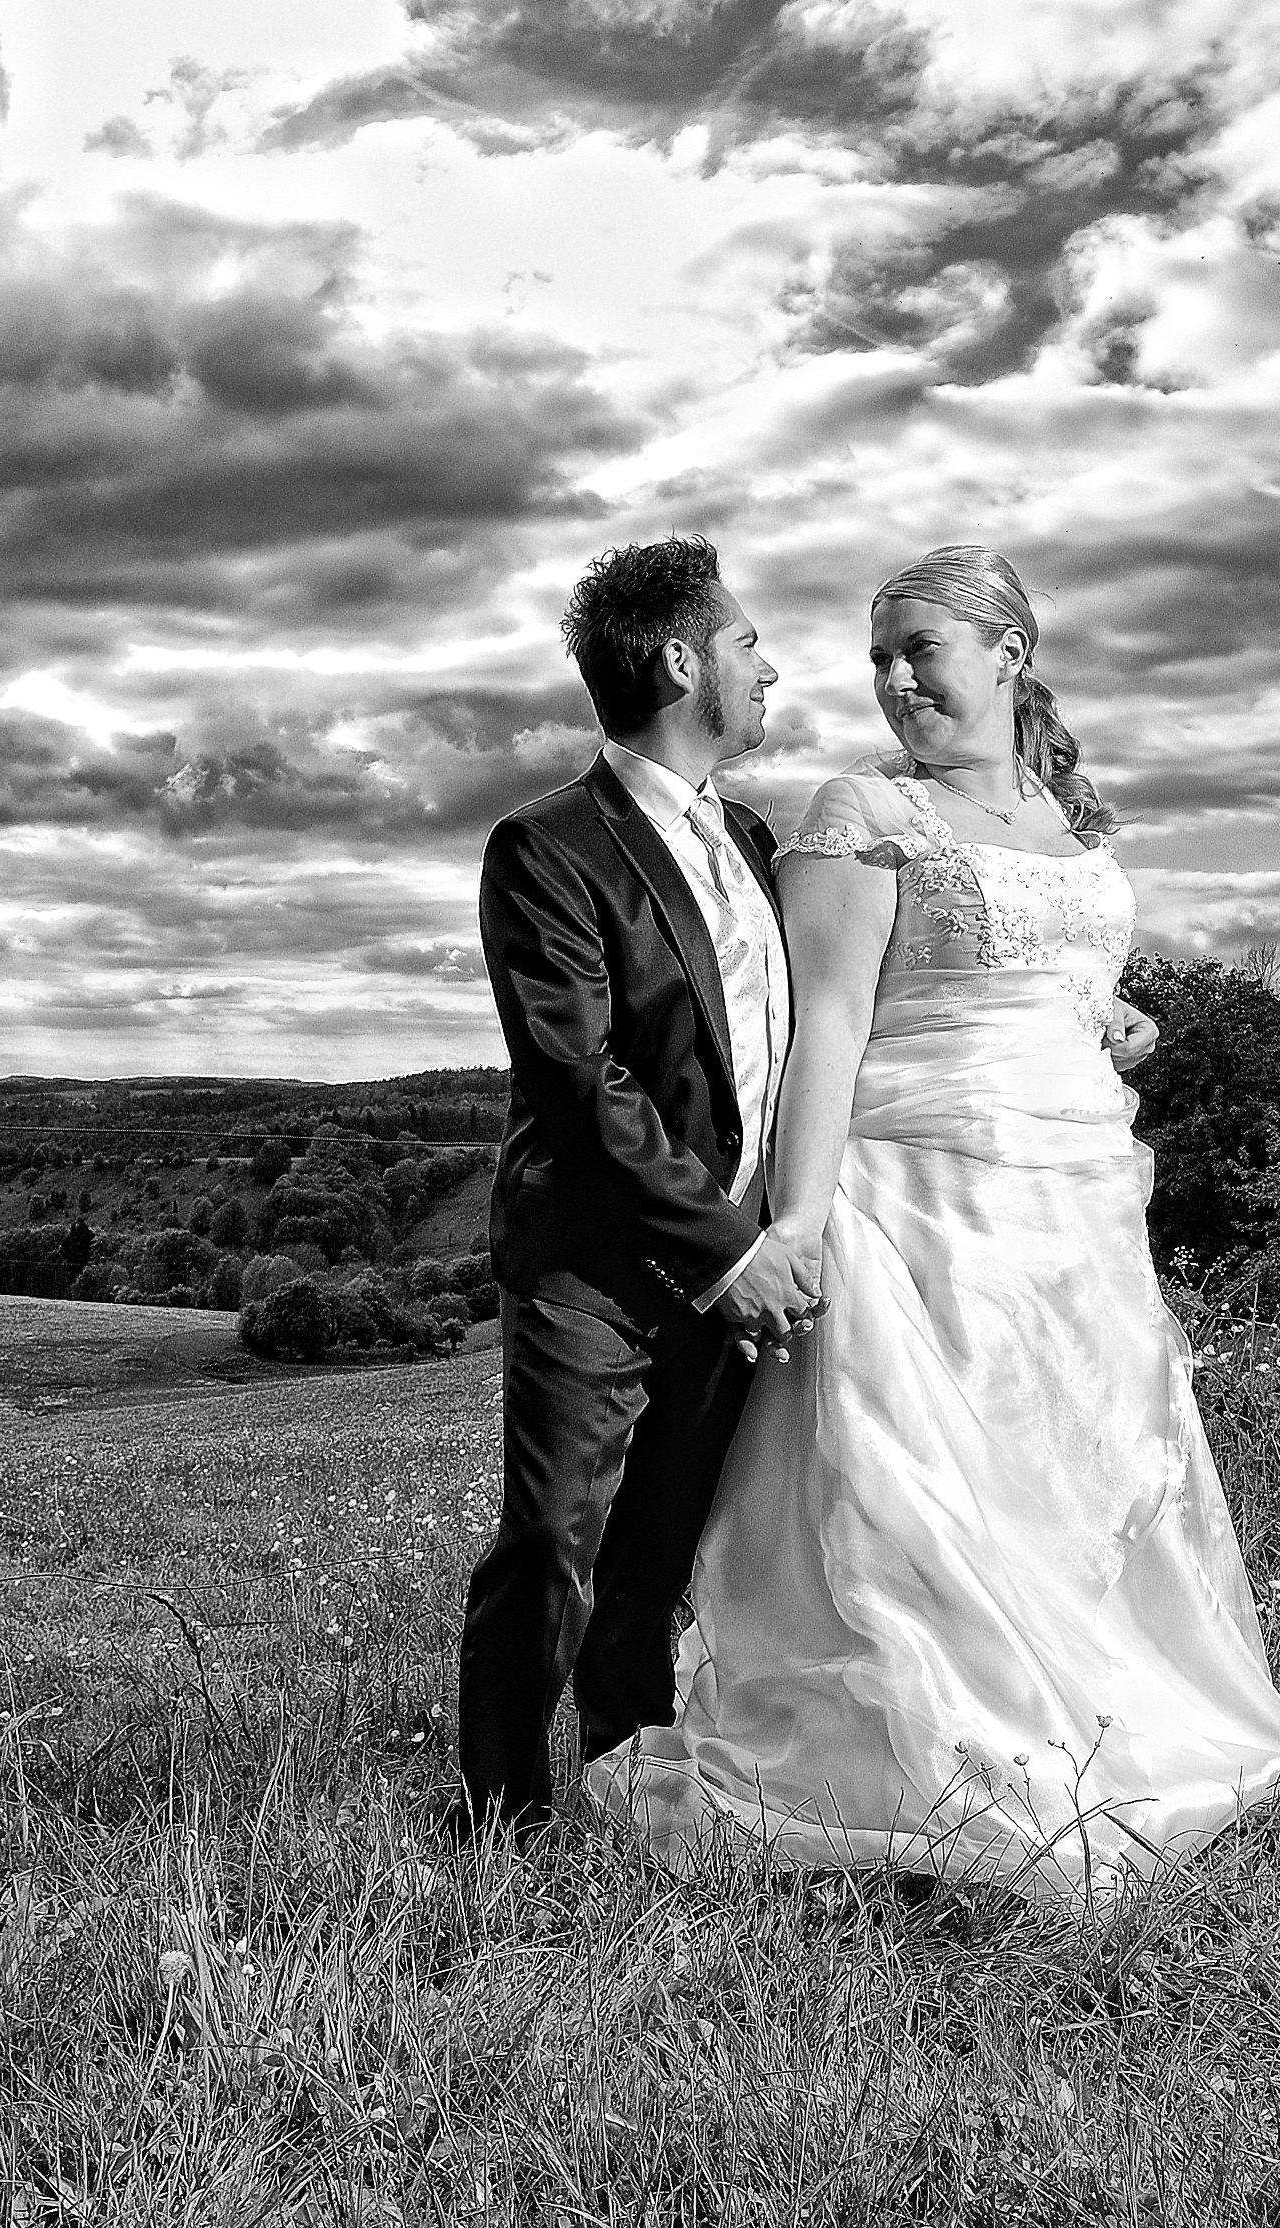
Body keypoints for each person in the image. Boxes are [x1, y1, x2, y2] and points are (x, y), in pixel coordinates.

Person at [584, 543, 1280, 1902]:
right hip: (918, 1205)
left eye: (919, 651)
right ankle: (947, 1748)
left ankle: (1106, 1718)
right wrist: (798, 1225)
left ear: (1009, 654)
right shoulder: (859, 812)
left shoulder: (1066, 817)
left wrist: (1115, 1018)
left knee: (1079, 1475)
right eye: (876, 659)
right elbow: (828, 1027)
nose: (893, 682)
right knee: (931, 1500)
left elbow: (1056, 977)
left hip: (1073, 1209)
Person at [453, 537, 821, 1838]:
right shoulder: (545, 846)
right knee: (553, 1538)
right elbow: (579, 1082)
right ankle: (500, 1821)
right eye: (745, 643)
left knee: (657, 1555)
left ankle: (630, 1790)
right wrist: (730, 1251)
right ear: (679, 661)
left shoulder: (758, 839)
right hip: (595, 1263)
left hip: (731, 1272)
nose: (767, 668)